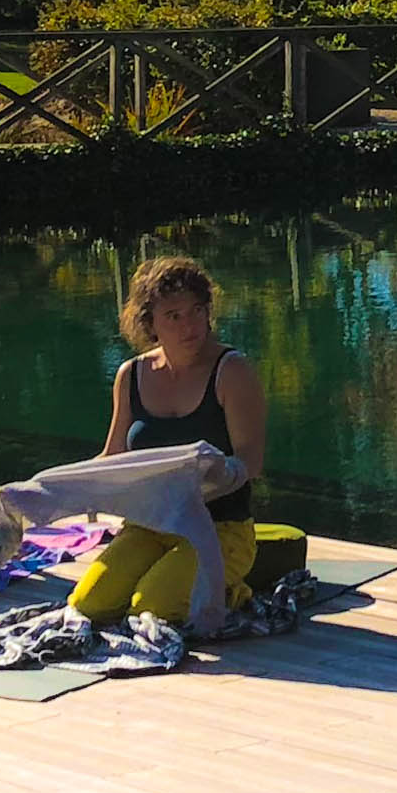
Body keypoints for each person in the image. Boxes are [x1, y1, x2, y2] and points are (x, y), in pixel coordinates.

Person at [66, 255, 266, 624]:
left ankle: (230, 592)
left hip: (220, 528)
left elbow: (251, 461)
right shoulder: (132, 374)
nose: (189, 325)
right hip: (148, 524)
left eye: (197, 311)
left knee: (152, 610)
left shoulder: (232, 370)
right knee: (88, 606)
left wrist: (211, 480)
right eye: (174, 316)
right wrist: (42, 493)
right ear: (150, 323)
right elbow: (112, 456)